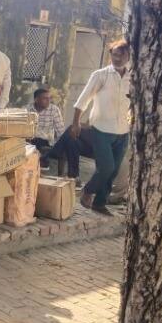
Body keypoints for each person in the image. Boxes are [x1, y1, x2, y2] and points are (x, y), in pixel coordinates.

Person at [71, 39, 130, 216]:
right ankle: (88, 191)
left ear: (128, 56)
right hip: (101, 129)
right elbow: (83, 100)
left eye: (122, 55)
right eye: (114, 54)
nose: (117, 58)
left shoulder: (133, 77)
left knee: (113, 171)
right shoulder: (101, 75)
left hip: (123, 131)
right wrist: (76, 123)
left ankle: (99, 203)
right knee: (106, 167)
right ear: (110, 55)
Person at [26, 88, 64, 160]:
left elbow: (60, 130)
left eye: (49, 98)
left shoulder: (54, 110)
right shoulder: (28, 109)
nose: (48, 101)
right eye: (45, 98)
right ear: (36, 100)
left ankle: (41, 162)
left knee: (38, 142)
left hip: (45, 140)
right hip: (29, 138)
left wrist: (60, 146)